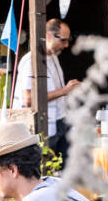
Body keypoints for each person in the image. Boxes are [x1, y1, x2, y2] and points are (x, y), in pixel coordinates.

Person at [12, 18, 80, 159]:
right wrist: (64, 91)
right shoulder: (31, 60)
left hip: (59, 121)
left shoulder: (54, 57)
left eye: (68, 40)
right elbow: (29, 99)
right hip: (43, 126)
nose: (66, 45)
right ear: (48, 36)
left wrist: (69, 90)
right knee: (47, 167)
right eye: (63, 40)